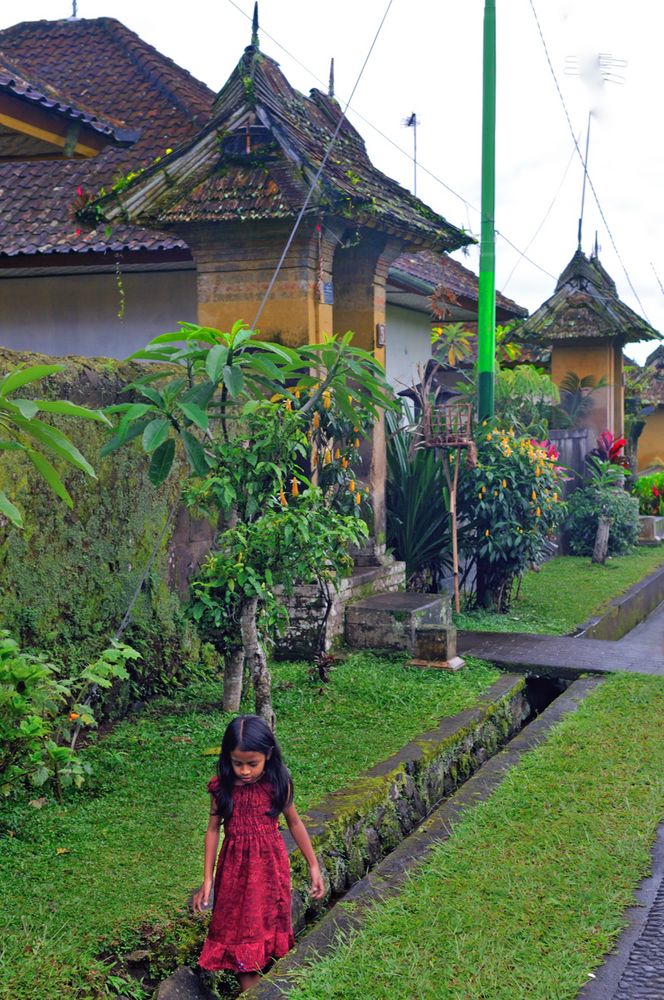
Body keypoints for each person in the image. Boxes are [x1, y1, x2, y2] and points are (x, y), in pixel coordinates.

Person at [192, 714, 325, 993]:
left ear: (268, 755)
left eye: (252, 763)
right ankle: (252, 987)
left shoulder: (278, 783)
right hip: (235, 872)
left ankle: (261, 984)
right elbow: (213, 830)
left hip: (269, 869)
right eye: (237, 763)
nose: (244, 771)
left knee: (265, 925)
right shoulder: (222, 788)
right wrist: (208, 878)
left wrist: (313, 865)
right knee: (242, 929)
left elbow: (295, 822)